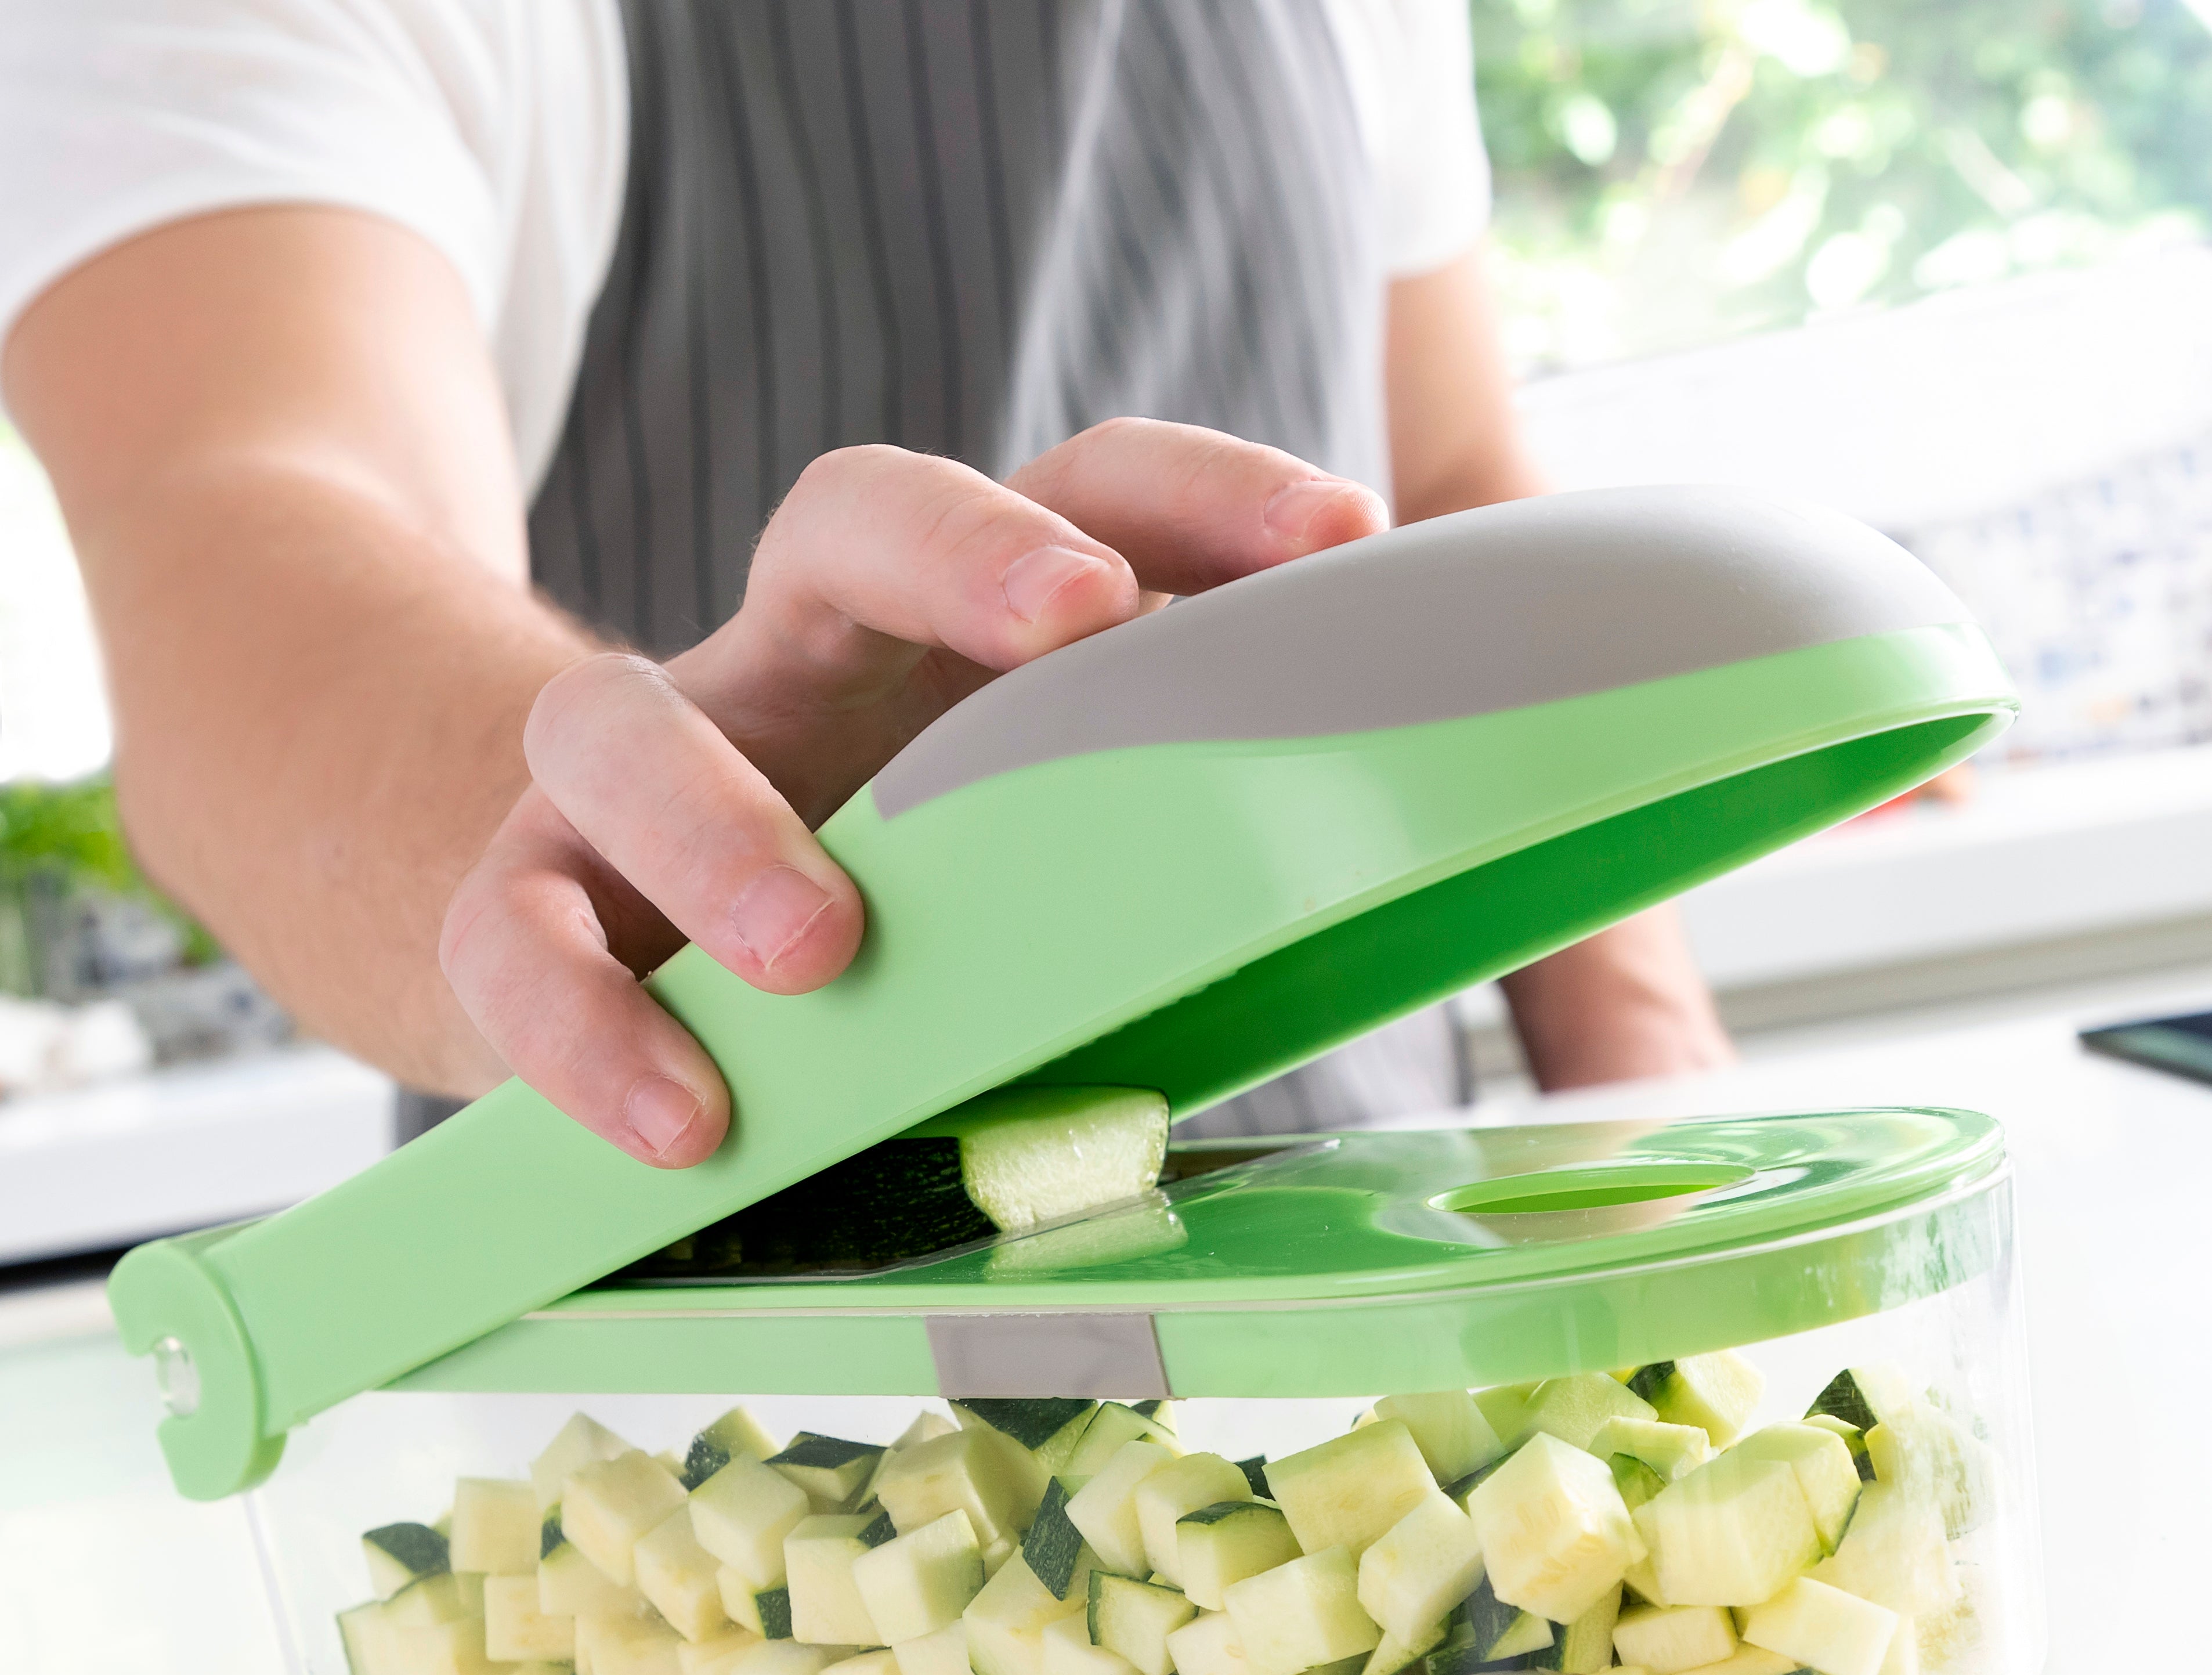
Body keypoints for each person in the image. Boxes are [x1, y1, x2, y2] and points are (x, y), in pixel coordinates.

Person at [0, 1, 1732, 1171]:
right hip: (724, 1475)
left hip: (1378, 1280)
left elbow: (1431, 488)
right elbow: (249, 541)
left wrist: (1644, 1100)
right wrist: (646, 838)